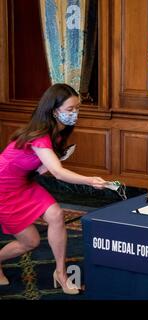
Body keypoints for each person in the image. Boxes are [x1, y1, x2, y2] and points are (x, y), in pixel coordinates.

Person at [0, 83, 107, 294]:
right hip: (3, 189)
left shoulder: (56, 132)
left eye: (77, 108)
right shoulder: (40, 134)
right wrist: (90, 180)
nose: (74, 114)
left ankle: (61, 273)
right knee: (30, 242)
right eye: (70, 110)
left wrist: (55, 159)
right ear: (53, 110)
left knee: (56, 215)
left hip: (23, 182)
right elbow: (57, 173)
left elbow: (36, 169)